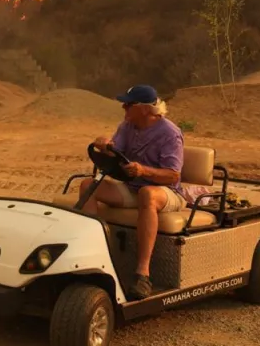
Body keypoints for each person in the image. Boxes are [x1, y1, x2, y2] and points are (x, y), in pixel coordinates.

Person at [77, 84, 186, 300]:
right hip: (133, 187)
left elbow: (173, 175)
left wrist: (143, 170)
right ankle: (93, 257)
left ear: (145, 108)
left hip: (167, 193)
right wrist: (105, 145)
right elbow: (116, 151)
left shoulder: (170, 133)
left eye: (128, 104)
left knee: (147, 193)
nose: (123, 107)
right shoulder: (128, 126)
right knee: (87, 185)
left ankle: (142, 274)